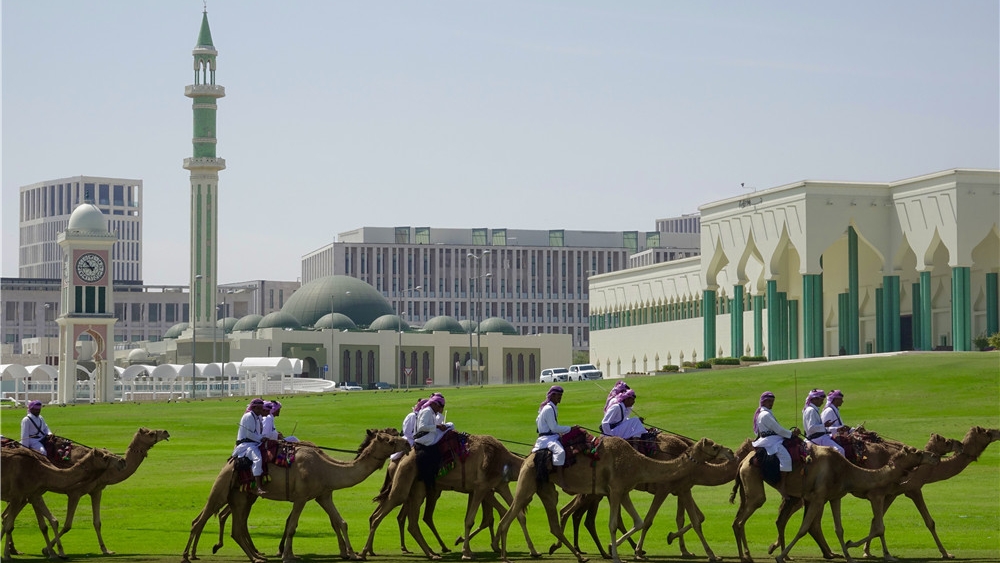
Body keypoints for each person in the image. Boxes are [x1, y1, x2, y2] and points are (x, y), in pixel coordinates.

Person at [532, 385, 576, 486]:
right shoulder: (548, 409)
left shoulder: (551, 407)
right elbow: (554, 428)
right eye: (558, 395)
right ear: (552, 396)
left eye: (561, 396)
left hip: (550, 436)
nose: (560, 398)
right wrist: (570, 429)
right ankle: (560, 479)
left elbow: (538, 421)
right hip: (547, 438)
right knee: (560, 452)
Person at [751, 391, 800, 474]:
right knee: (786, 457)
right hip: (771, 441)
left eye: (772, 401)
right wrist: (791, 434)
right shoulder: (765, 415)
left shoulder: (766, 413)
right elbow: (779, 430)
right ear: (764, 402)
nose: (771, 403)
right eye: (769, 401)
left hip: (773, 438)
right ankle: (783, 482)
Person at [413, 394, 453, 492]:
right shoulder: (427, 411)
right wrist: (438, 427)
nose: (440, 409)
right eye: (440, 407)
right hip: (426, 439)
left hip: (429, 435)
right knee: (451, 426)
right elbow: (422, 427)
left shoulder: (431, 411)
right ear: (435, 404)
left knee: (450, 425)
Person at [232, 398, 268, 494]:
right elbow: (249, 435)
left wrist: (263, 438)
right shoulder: (249, 417)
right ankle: (258, 487)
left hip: (253, 442)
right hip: (246, 444)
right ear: (254, 408)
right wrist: (261, 439)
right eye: (259, 408)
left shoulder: (256, 417)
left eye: (262, 408)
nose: (261, 411)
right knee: (257, 459)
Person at [802, 389, 844, 455]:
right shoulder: (811, 410)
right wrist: (824, 425)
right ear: (814, 399)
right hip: (818, 439)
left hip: (820, 437)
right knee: (840, 450)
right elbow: (811, 428)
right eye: (821, 400)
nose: (822, 402)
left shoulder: (812, 409)